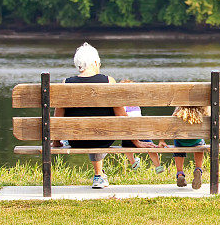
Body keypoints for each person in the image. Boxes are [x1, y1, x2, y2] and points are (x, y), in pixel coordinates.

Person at [55, 42, 156, 189]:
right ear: (95, 62)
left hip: (77, 140)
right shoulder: (108, 81)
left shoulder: (66, 83)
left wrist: (56, 142)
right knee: (98, 127)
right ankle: (99, 176)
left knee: (88, 126)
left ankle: (99, 175)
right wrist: (136, 142)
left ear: (78, 65)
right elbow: (121, 115)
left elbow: (58, 118)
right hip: (104, 138)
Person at [119, 79, 165, 174]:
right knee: (150, 146)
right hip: (138, 133)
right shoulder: (135, 106)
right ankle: (157, 165)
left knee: (126, 146)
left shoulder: (122, 106)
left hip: (130, 134)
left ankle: (134, 162)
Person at [172, 105, 210, 189]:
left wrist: (162, 141)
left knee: (177, 141)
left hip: (181, 141)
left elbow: (171, 128)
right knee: (200, 143)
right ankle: (198, 169)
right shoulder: (203, 110)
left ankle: (180, 173)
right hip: (196, 141)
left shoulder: (178, 111)